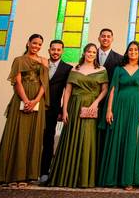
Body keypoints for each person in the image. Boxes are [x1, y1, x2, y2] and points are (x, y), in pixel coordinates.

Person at [46, 43, 108, 188]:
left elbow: (104, 89)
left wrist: (96, 103)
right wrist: (65, 110)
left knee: (88, 139)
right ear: (84, 53)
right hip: (74, 106)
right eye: (89, 52)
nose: (91, 54)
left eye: (94, 52)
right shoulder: (75, 69)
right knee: (71, 138)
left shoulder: (101, 70)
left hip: (91, 107)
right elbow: (68, 91)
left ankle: (84, 178)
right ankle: (67, 176)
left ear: (96, 54)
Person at [0, 34, 49, 188]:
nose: (36, 46)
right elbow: (17, 82)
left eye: (39, 44)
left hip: (38, 100)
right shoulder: (19, 60)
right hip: (21, 99)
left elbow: (45, 83)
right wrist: (26, 101)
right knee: (17, 135)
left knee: (33, 137)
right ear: (28, 43)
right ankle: (10, 175)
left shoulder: (44, 61)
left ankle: (27, 176)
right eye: (34, 43)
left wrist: (35, 101)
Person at [99, 41, 139, 190]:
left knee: (133, 141)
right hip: (119, 107)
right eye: (130, 50)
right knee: (117, 139)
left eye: (135, 50)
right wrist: (109, 110)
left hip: (136, 109)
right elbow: (113, 90)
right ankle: (113, 178)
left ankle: (129, 179)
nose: (133, 52)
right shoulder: (119, 69)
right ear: (127, 52)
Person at [40, 39, 72, 183]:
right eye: (53, 49)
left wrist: (62, 110)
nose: (55, 52)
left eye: (58, 50)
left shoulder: (67, 68)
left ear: (62, 51)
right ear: (49, 50)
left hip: (52, 109)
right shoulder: (41, 64)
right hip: (37, 107)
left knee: (49, 139)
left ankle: (44, 172)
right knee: (34, 139)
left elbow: (67, 92)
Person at [96, 28, 122, 164]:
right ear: (99, 38)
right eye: (103, 36)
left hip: (109, 101)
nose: (105, 38)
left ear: (112, 39)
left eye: (108, 36)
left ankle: (102, 165)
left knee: (106, 135)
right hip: (91, 99)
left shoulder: (119, 59)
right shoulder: (90, 54)